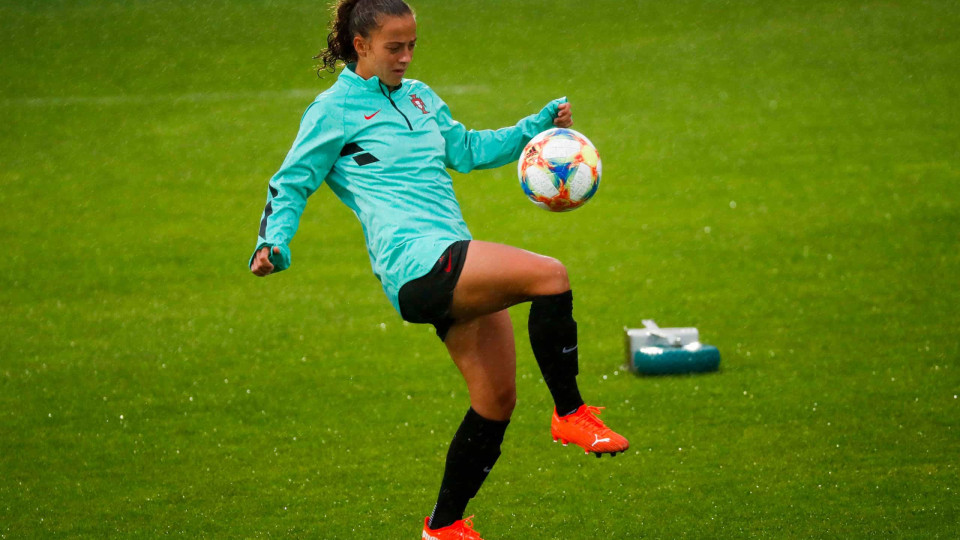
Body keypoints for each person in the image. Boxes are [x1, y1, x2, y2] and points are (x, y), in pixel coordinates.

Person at [249, 1, 629, 537]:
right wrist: (272, 243)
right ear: (360, 46)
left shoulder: (422, 98)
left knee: (495, 401)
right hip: (415, 263)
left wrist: (534, 128)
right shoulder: (332, 112)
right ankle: (570, 413)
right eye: (393, 47)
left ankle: (444, 527)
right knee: (551, 276)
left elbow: (469, 150)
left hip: (452, 254)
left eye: (411, 46)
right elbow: (290, 182)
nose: (405, 57)